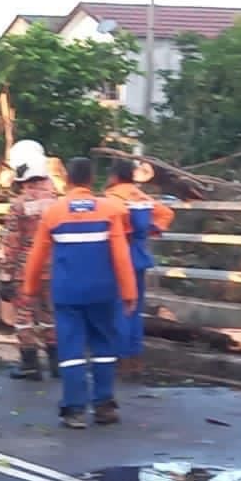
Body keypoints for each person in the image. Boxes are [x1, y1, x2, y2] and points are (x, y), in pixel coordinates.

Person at [22, 157, 137, 429]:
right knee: (103, 347)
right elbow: (121, 255)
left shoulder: (54, 213)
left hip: (67, 294)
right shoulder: (109, 211)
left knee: (71, 349)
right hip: (103, 292)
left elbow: (36, 256)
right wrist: (129, 292)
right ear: (91, 180)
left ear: (69, 180)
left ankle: (74, 410)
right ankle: (104, 406)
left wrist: (29, 289)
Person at [103, 159, 175, 373]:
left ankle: (121, 358)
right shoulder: (140, 196)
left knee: (120, 308)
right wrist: (152, 229)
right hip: (140, 256)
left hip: (119, 258)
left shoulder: (112, 198)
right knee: (135, 309)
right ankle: (135, 357)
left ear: (114, 177)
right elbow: (167, 213)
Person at [0, 140, 59, 381]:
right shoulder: (59, 202)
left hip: (26, 270)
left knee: (23, 318)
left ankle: (30, 366)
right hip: (54, 268)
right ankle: (57, 364)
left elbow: (11, 244)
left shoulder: (19, 205)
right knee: (49, 315)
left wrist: (5, 277)